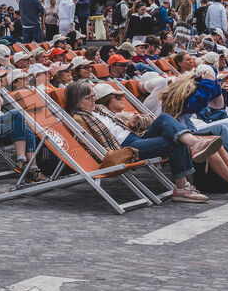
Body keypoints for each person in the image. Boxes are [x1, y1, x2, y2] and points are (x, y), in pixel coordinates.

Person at [63, 79, 218, 203]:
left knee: (164, 118)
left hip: (135, 137)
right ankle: (182, 186)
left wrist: (130, 124)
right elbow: (90, 144)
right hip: (125, 148)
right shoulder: (78, 118)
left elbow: (115, 127)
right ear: (77, 100)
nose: (94, 100)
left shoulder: (98, 109)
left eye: (93, 96)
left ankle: (194, 145)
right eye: (88, 98)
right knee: (173, 141)